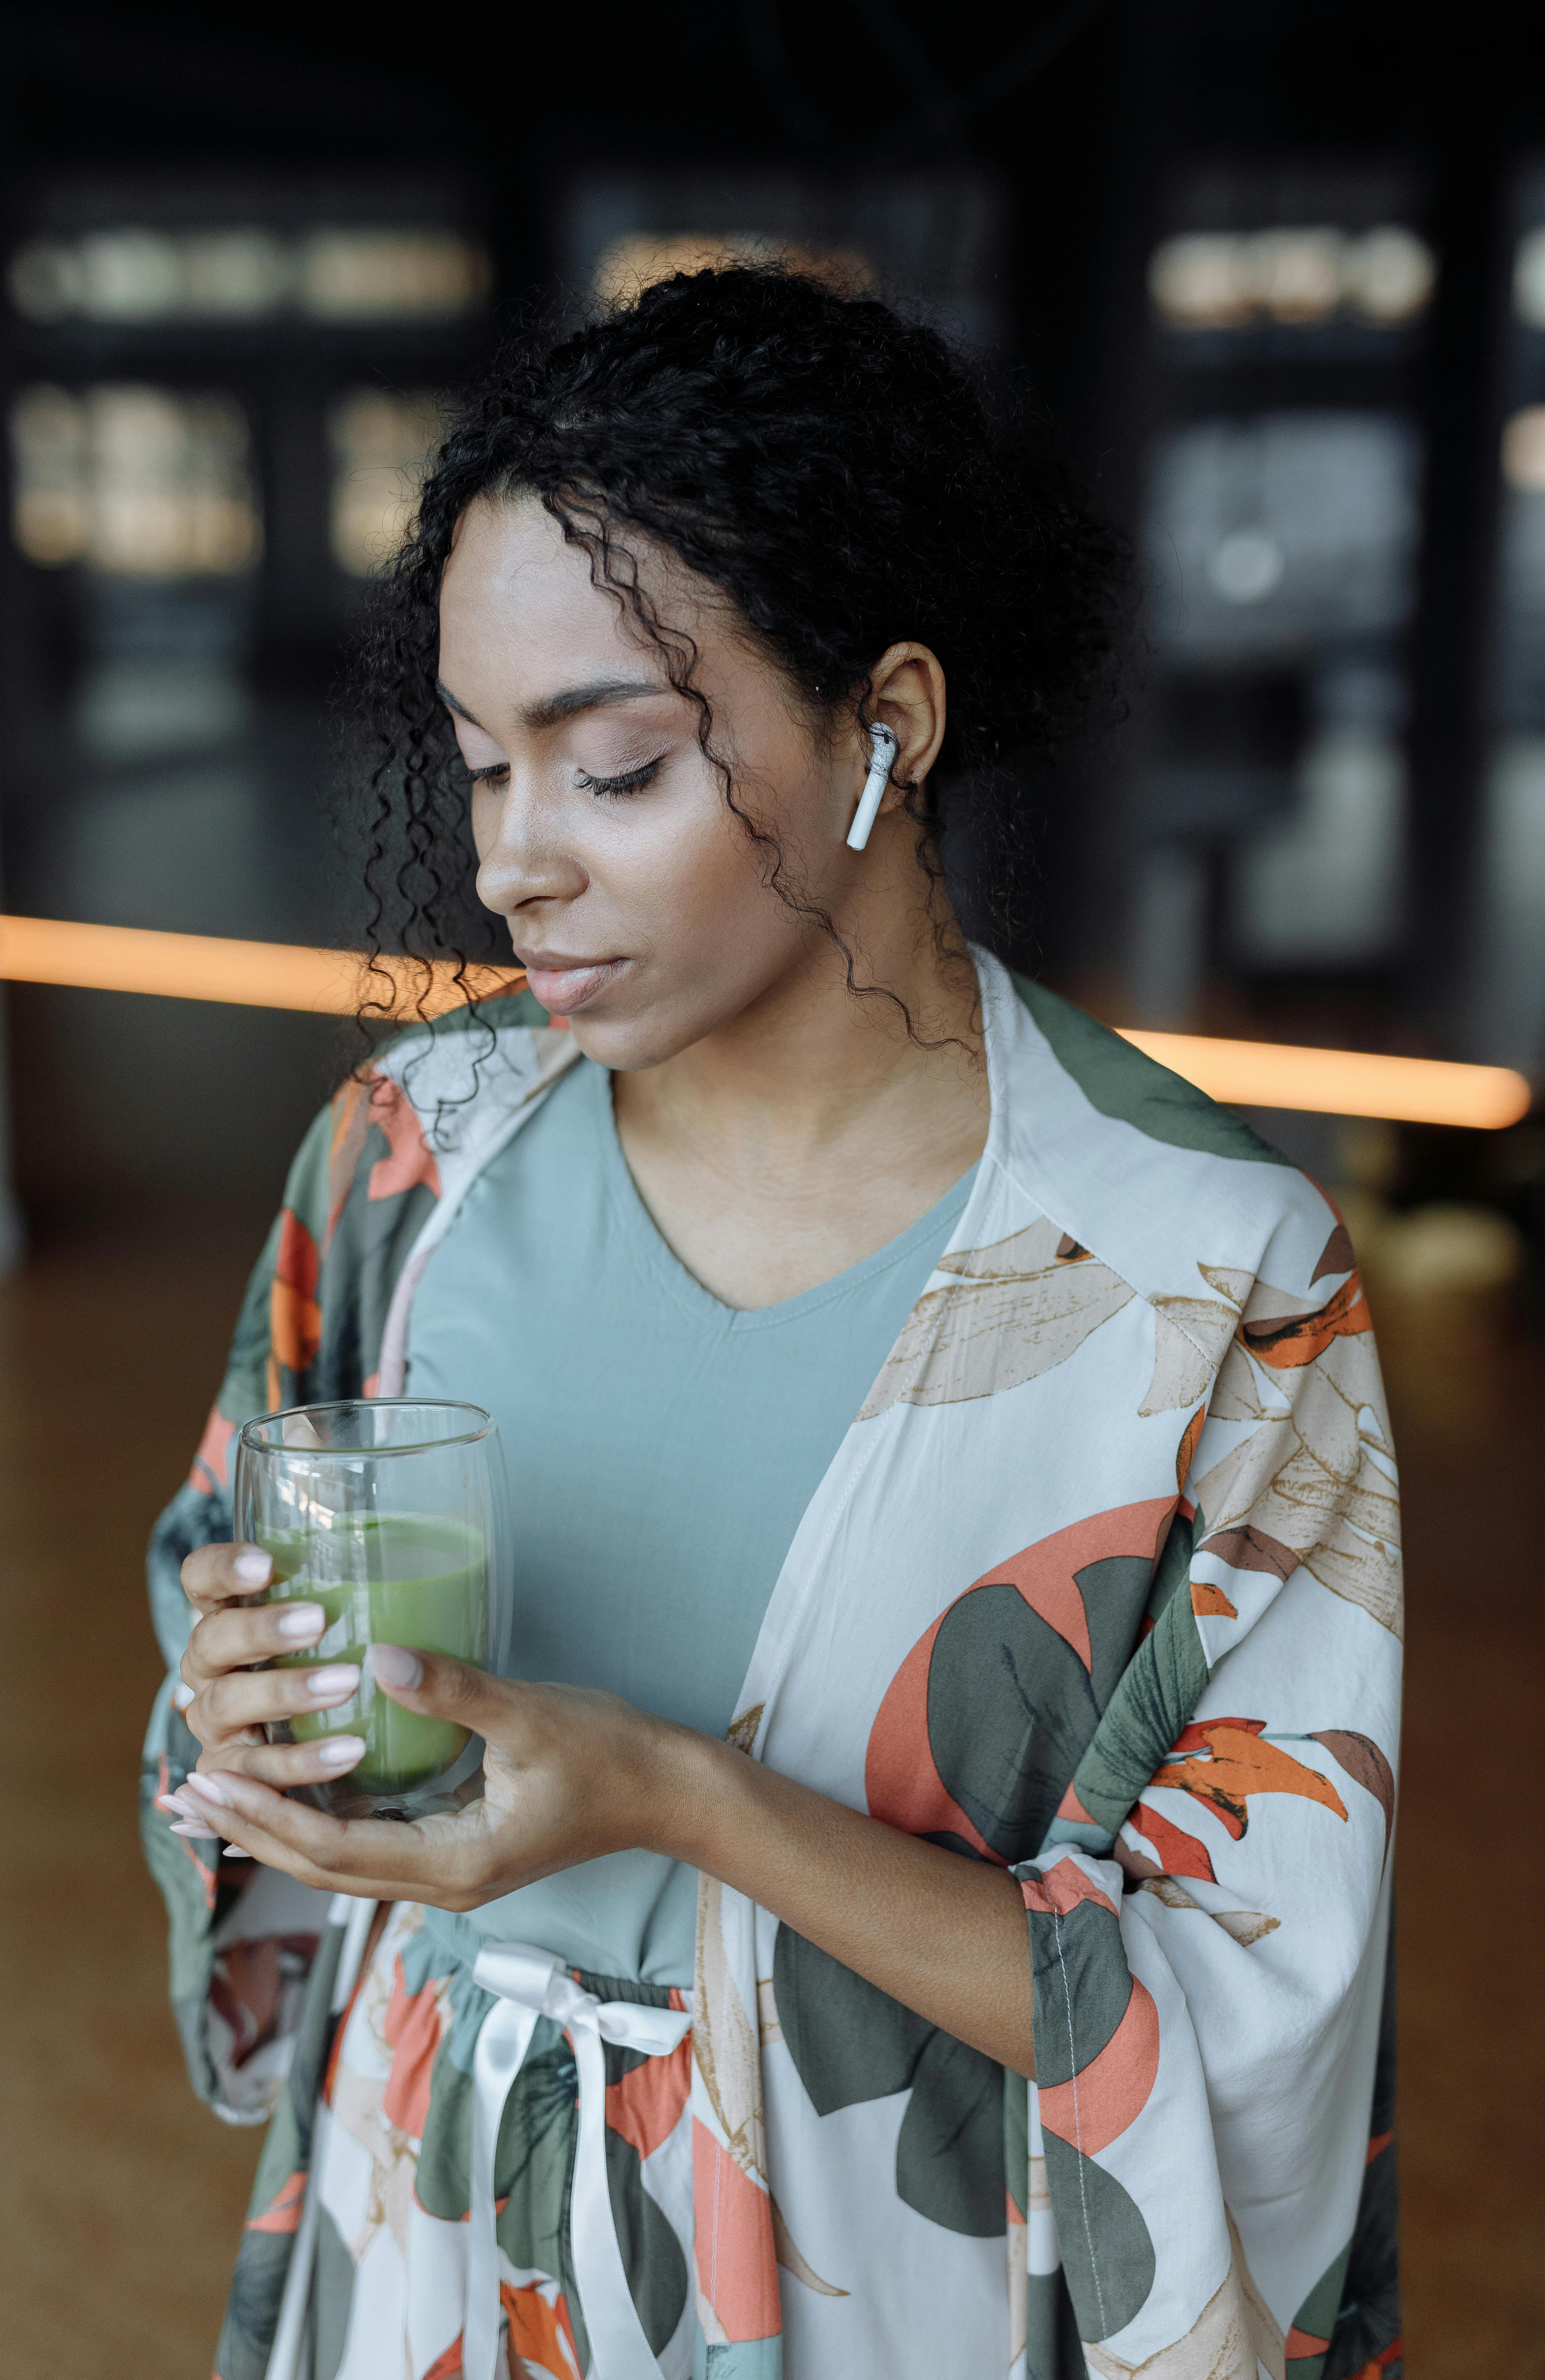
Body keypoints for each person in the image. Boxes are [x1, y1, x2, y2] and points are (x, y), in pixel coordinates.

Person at [145, 267, 1402, 2380]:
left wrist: (677, 1796)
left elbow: (1243, 2015)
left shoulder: (1205, 1290)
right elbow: (224, 1595)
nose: (515, 867)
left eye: (612, 767)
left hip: (873, 2288)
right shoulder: (407, 1163)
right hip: (435, 2228)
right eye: (480, 772)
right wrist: (237, 1691)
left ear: (884, 726)